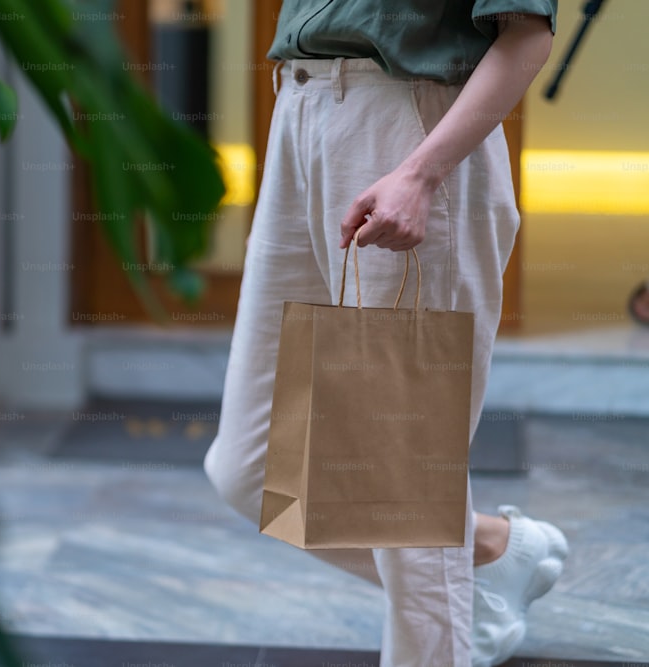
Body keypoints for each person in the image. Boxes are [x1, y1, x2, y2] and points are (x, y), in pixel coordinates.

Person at [203, 2, 567, 666]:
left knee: (402, 499)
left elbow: (529, 35)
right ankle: (491, 550)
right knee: (249, 467)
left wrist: (422, 172)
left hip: (403, 130)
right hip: (300, 113)